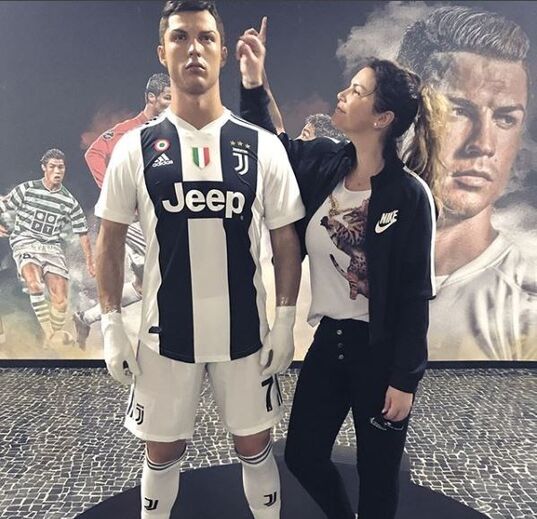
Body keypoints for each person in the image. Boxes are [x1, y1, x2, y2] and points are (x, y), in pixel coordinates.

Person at [94, 2, 304, 519]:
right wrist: (111, 324)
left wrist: (283, 321)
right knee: (162, 451)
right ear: (161, 52)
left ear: (223, 52)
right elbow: (110, 239)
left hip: (245, 335)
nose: (194, 49)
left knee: (255, 445)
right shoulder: (134, 148)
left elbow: (285, 240)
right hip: (164, 336)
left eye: (206, 38)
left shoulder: (261, 147)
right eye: (181, 37)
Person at [238, 18, 444, 519]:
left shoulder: (409, 196)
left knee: (378, 475)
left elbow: (416, 295)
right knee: (303, 456)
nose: (342, 95)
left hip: (381, 354)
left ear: (382, 118)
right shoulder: (326, 164)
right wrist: (253, 81)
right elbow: (274, 147)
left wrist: (405, 379)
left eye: (356, 91)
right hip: (329, 342)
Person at [397, 6, 537, 360]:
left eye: (505, 118)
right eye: (457, 110)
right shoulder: (334, 261)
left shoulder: (526, 310)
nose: (483, 144)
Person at [73, 73, 171, 348]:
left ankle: (85, 317)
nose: (172, 103)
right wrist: (114, 191)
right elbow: (93, 153)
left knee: (145, 283)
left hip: (156, 215)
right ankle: (162, 333)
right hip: (131, 218)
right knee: (169, 263)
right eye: (167, 98)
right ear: (151, 98)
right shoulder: (129, 130)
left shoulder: (169, 131)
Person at [0, 149, 94, 346]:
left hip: (51, 248)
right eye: (52, 166)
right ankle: (50, 333)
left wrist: (90, 261)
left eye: (61, 167)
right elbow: (4, 205)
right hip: (25, 242)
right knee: (34, 284)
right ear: (44, 168)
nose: (57, 171)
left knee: (60, 301)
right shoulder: (27, 189)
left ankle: (52, 335)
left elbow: (82, 233)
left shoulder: (69, 201)